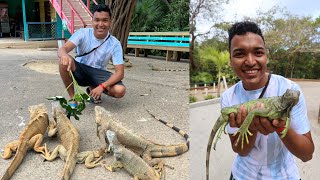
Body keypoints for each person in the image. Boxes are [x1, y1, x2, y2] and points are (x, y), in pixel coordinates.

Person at [222, 21, 314, 180]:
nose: (250, 61)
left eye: (258, 52)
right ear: (230, 60)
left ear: (266, 56)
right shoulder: (228, 97)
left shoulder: (291, 90)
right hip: (242, 175)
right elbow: (241, 150)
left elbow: (306, 155)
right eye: (239, 54)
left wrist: (280, 126)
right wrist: (250, 126)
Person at [58, 4, 125, 106]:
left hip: (98, 73)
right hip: (80, 70)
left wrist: (102, 87)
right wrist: (64, 55)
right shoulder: (82, 33)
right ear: (92, 21)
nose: (100, 24)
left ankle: (93, 88)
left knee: (120, 90)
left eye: (105, 20)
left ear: (110, 22)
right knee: (63, 62)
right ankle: (73, 98)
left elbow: (120, 73)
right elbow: (63, 48)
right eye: (97, 20)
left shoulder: (115, 44)